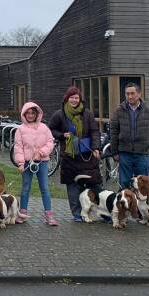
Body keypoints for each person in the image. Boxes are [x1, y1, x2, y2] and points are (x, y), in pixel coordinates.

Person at [48, 86, 101, 223]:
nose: (74, 100)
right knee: (71, 185)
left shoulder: (87, 114)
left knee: (92, 182)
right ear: (67, 98)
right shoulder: (60, 114)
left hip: (86, 155)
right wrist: (61, 135)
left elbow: (95, 131)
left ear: (80, 99)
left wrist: (96, 147)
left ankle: (95, 211)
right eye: (71, 97)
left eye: (76, 98)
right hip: (69, 156)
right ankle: (77, 214)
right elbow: (51, 129)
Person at [13, 101, 57, 226]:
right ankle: (22, 213)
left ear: (37, 114)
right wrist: (21, 163)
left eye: (33, 113)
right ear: (24, 114)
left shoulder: (44, 128)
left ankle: (49, 215)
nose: (30, 115)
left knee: (44, 188)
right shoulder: (20, 130)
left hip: (42, 162)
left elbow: (50, 142)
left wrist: (41, 152)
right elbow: (18, 147)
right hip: (27, 163)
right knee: (25, 188)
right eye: (28, 113)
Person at [109, 82, 149, 190]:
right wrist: (115, 152)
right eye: (127, 94)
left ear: (139, 94)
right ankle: (126, 207)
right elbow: (113, 133)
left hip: (142, 155)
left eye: (132, 93)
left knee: (143, 185)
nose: (130, 96)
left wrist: (145, 143)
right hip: (125, 154)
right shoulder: (118, 112)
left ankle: (141, 207)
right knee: (125, 184)